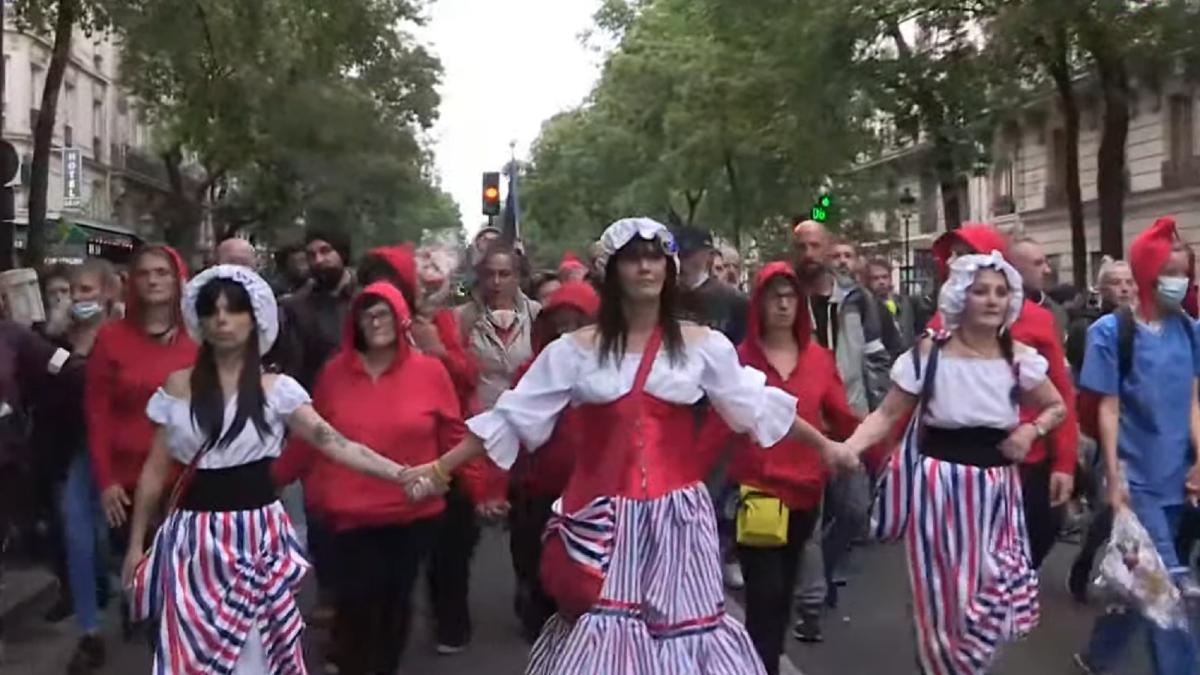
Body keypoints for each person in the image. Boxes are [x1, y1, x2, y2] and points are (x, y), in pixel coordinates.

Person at [400, 217, 856, 675]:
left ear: (669, 268)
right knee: (609, 651)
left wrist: (827, 447)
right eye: (633, 258)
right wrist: (439, 470)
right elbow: (510, 419)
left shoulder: (702, 346)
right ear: (612, 270)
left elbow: (758, 406)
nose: (645, 267)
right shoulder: (574, 351)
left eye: (654, 257)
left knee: (681, 646)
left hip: (678, 522)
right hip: (603, 523)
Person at [121, 266, 411, 674]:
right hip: (193, 542)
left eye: (234, 311)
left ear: (254, 319)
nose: (222, 320)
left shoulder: (278, 391)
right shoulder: (177, 387)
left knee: (257, 648)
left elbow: (336, 444)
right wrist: (136, 545)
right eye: (212, 311)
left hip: (256, 538)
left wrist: (401, 473)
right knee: (191, 648)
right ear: (200, 321)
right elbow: (154, 471)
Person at [843, 251, 1067, 675]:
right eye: (981, 290)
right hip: (939, 489)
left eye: (1001, 292)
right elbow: (888, 415)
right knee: (942, 598)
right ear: (961, 295)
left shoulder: (1019, 357)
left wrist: (1029, 431)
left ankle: (970, 666)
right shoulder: (931, 353)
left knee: (997, 587)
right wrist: (850, 449)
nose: (992, 300)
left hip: (998, 491)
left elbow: (1056, 407)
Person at [272, 280, 486, 675]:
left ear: (400, 317)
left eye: (383, 312)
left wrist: (475, 486)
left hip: (411, 510)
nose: (374, 322)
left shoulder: (429, 372)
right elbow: (312, 435)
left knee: (395, 603)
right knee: (355, 604)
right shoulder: (334, 373)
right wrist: (273, 480)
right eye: (366, 314)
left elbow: (454, 435)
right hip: (350, 513)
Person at [701, 262, 860, 674]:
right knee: (765, 591)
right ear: (759, 304)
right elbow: (716, 428)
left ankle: (764, 656)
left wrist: (871, 447)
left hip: (807, 491)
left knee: (784, 589)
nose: (784, 304)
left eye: (791, 296)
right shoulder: (739, 360)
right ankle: (762, 663)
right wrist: (691, 479)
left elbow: (842, 416)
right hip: (755, 492)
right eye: (774, 296)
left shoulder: (819, 360)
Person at [1074, 217, 1200, 675]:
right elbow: (1106, 407)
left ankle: (1098, 657)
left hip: (1177, 476)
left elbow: (1192, 399)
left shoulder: (1190, 330)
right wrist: (1114, 473)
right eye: (1171, 272)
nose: (1180, 283)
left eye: (1186, 273)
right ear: (1149, 274)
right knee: (1165, 586)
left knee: (1140, 577)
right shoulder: (1109, 332)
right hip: (1136, 476)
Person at [928, 224, 1079, 569]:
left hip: (1029, 462)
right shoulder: (942, 322)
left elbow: (1061, 396)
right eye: (953, 255)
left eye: (965, 253)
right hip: (961, 465)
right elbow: (915, 396)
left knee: (1035, 539)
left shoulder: (1039, 321)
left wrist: (1064, 464)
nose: (956, 261)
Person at [790, 221, 898, 639]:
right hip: (802, 425)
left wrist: (881, 418)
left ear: (830, 247)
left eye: (816, 244)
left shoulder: (857, 299)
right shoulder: (783, 297)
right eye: (801, 245)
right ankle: (812, 603)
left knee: (854, 511)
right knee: (811, 519)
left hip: (848, 421)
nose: (809, 253)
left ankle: (825, 577)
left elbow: (877, 359)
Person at [86, 246, 197, 577]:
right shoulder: (110, 338)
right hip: (127, 480)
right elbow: (97, 413)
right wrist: (106, 480)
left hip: (186, 478)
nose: (153, 281)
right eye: (144, 273)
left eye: (162, 273)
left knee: (182, 577)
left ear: (178, 281)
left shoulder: (200, 339)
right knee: (139, 576)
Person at [504, 280, 599, 642]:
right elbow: (512, 428)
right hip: (538, 490)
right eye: (558, 321)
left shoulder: (608, 372)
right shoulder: (531, 370)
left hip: (591, 492)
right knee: (535, 566)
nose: (565, 331)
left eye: (576, 321)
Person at [41, 260, 121, 673]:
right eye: (74, 292)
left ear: (108, 293)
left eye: (87, 291)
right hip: (79, 452)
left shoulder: (124, 338)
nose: (78, 299)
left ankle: (135, 601)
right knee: (78, 533)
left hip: (122, 453)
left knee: (114, 540)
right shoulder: (57, 339)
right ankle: (90, 633)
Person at [283, 225, 356, 391]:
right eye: (311, 255)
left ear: (342, 252)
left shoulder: (367, 298)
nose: (319, 260)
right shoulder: (297, 307)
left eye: (325, 251)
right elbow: (295, 368)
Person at [673, 224, 749, 344]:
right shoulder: (665, 297)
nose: (682, 262)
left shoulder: (734, 301)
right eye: (678, 255)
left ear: (709, 255)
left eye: (688, 255)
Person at [1010, 238, 1069, 344]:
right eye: (1038, 263)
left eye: (1046, 263)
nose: (1047, 270)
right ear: (1014, 269)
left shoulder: (1056, 312)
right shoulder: (999, 313)